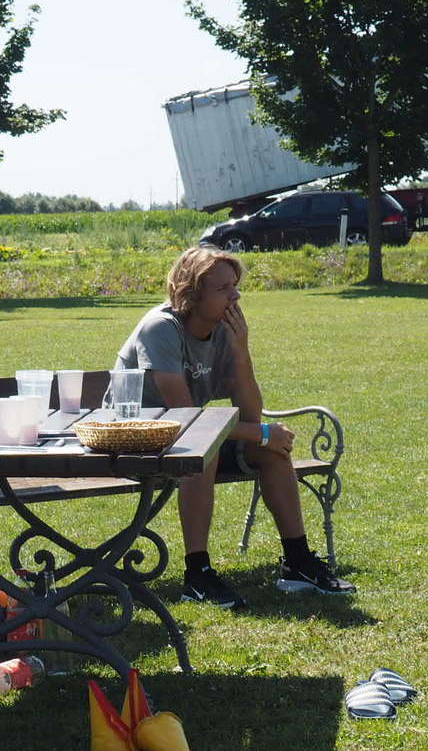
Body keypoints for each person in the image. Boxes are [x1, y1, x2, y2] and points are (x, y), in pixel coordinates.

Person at [116, 246, 353, 608]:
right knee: (205, 451)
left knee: (268, 451)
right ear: (192, 294)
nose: (236, 296)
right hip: (133, 443)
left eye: (235, 286)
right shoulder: (161, 328)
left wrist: (241, 351)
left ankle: (298, 563)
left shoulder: (224, 330)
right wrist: (262, 433)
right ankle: (198, 576)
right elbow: (185, 417)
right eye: (223, 288)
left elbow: (250, 415)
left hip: (181, 438)